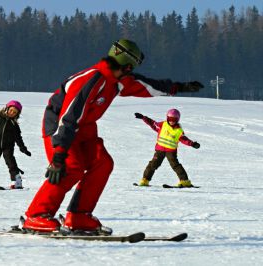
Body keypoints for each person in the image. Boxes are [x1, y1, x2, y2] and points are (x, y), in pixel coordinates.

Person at [21, 39, 204, 234]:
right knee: (70, 168)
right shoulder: (92, 80)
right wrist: (59, 155)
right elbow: (68, 117)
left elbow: (146, 85)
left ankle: (79, 216)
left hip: (84, 128)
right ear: (127, 65)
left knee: (102, 162)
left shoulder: (116, 80)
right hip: (60, 128)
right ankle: (36, 215)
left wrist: (179, 87)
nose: (132, 71)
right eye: (132, 67)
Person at [135, 109, 200, 187]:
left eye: (174, 119)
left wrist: (192, 144)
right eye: (170, 119)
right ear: (167, 118)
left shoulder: (178, 130)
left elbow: (184, 139)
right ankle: (145, 180)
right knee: (153, 164)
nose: (171, 121)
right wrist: (143, 117)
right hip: (159, 150)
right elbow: (152, 123)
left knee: (175, 165)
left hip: (171, 151)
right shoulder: (162, 125)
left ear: (177, 119)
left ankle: (185, 181)